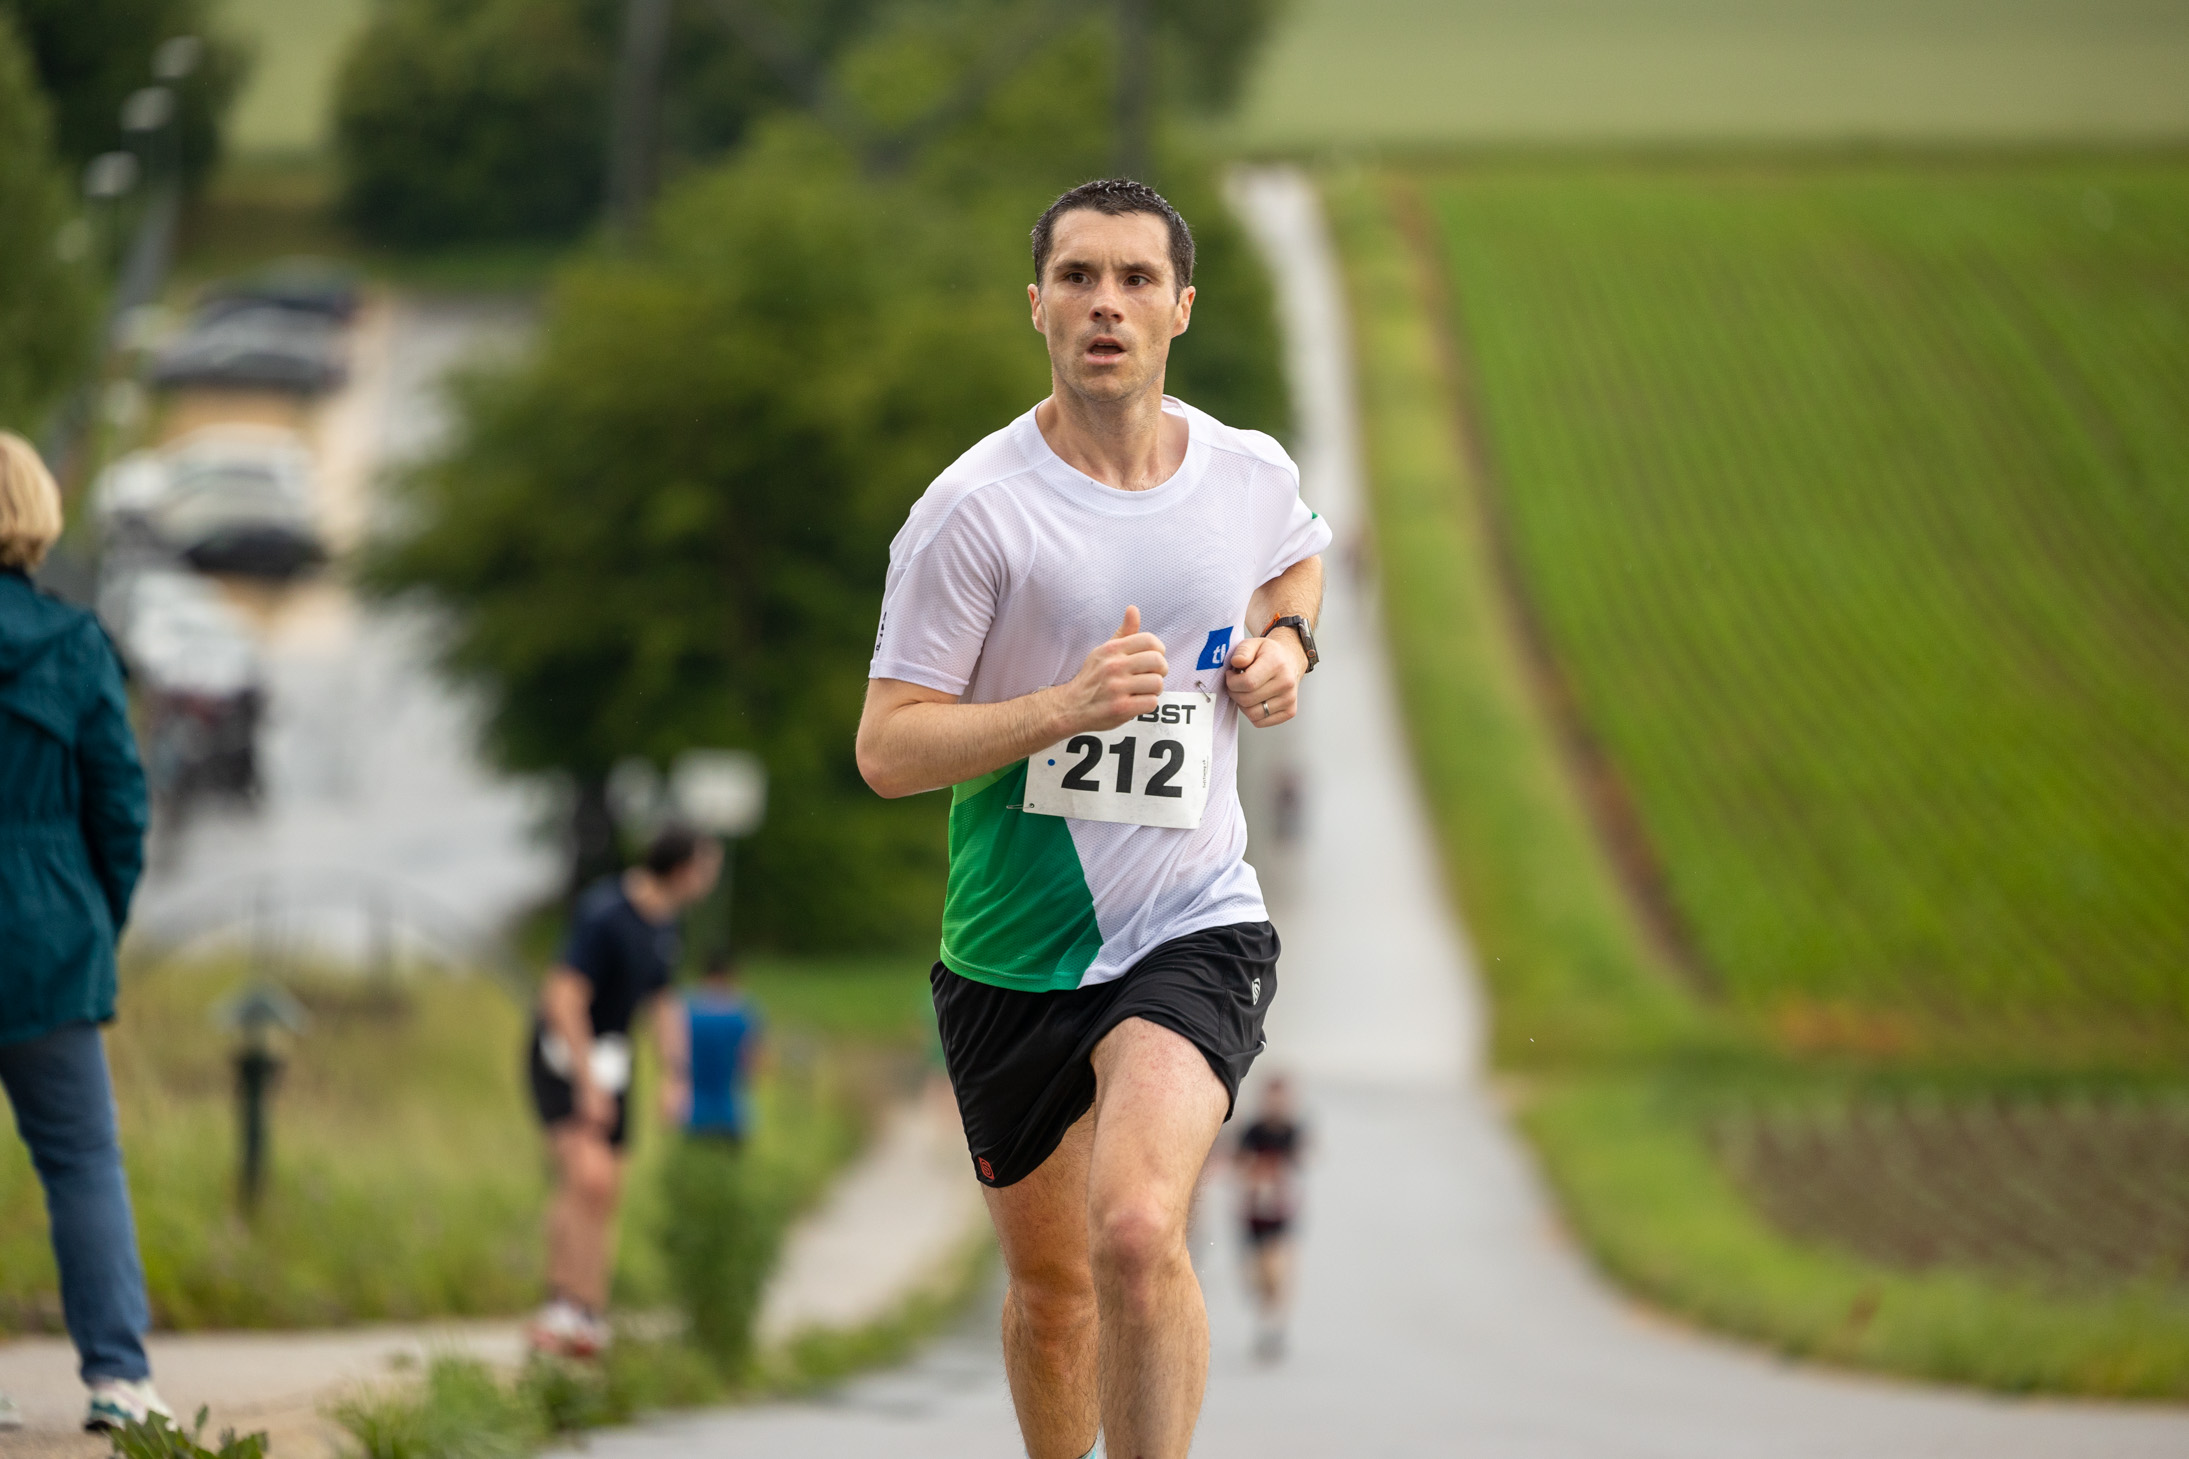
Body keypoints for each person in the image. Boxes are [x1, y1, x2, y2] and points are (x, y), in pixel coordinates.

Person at [855, 178, 1327, 1459]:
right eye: (1076, 278)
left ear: (1181, 307)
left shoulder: (1243, 472)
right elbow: (886, 749)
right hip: (1012, 948)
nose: (1104, 304)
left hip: (1191, 918)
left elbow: (1295, 557)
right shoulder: (972, 512)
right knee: (1055, 1298)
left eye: (1133, 279)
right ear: (1037, 307)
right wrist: (1061, 708)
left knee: (1132, 1231)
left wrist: (1288, 644)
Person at [0, 433, 172, 1431]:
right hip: (50, 926)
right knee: (79, 1160)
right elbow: (120, 804)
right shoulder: (75, 645)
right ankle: (117, 1377)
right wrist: (99, 916)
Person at [526, 822, 720, 1359]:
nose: (711, 879)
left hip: (613, 1060)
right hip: (565, 1055)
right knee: (585, 1178)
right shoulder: (605, 912)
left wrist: (676, 1076)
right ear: (683, 868)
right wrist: (586, 1083)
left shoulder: (666, 925)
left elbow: (663, 1003)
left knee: (607, 1188)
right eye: (708, 866)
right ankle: (559, 1305)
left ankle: (588, 1313)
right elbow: (562, 997)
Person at [1234, 1074, 1306, 1362]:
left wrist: (1281, 1173)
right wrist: (1254, 1173)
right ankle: (1267, 1320)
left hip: (1280, 1212)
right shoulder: (1252, 1130)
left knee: (1276, 1269)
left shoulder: (1292, 1130)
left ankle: (1275, 1326)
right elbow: (1238, 1163)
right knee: (1257, 1278)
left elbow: (1303, 1159)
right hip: (1253, 1213)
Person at [670, 947, 763, 1143]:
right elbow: (752, 1066)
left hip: (691, 1113)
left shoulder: (684, 1009)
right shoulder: (744, 1014)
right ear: (730, 976)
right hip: (732, 1115)